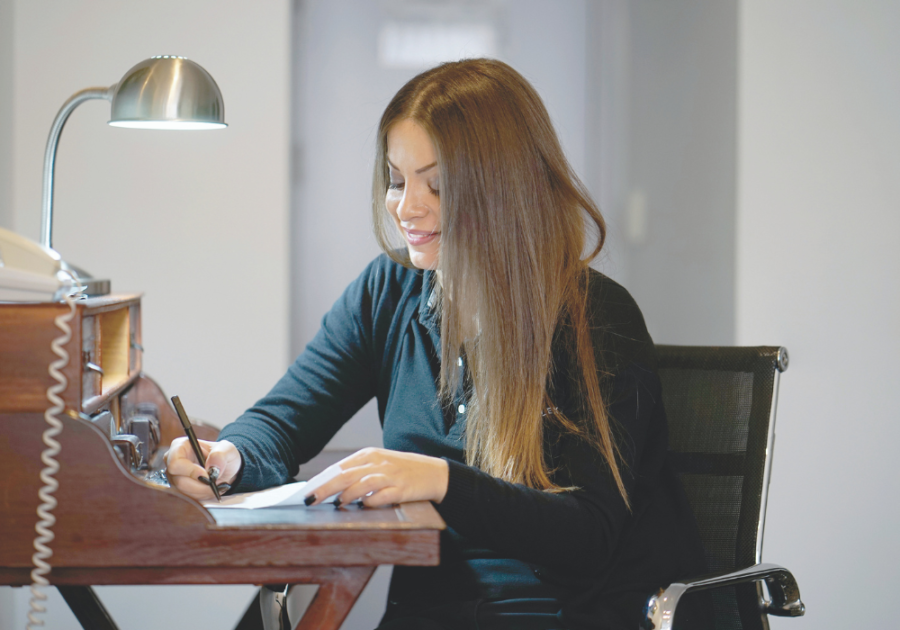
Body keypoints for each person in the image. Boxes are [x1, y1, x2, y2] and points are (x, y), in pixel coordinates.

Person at [166, 58, 707, 630]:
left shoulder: (594, 315)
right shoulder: (387, 292)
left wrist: (441, 481)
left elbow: (588, 533)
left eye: (438, 185)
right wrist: (232, 455)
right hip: (427, 612)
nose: (406, 206)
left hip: (563, 613)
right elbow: (281, 422)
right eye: (398, 180)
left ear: (505, 188)